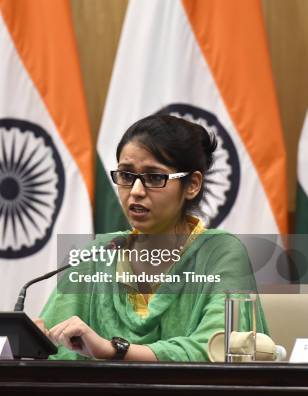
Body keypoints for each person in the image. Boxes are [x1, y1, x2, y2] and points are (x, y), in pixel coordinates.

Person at [38, 115, 268, 361]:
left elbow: (218, 349)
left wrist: (114, 350)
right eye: (126, 176)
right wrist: (37, 341)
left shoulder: (221, 252)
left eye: (155, 177)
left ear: (192, 184)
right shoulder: (100, 252)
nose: (136, 191)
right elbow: (53, 349)